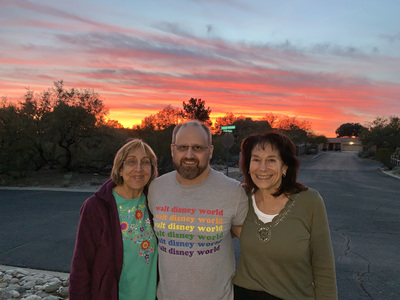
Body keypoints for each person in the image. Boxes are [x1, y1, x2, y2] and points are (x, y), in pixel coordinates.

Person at [148, 120, 248, 300]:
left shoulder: (233, 192)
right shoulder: (156, 188)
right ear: (172, 149)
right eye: (182, 147)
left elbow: (255, 247)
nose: (189, 154)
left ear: (210, 151)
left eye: (197, 148)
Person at [233, 130, 337, 300]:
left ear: (285, 167)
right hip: (244, 293)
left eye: (271, 160)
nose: (263, 168)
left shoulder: (309, 201)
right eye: (256, 160)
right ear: (248, 165)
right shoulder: (240, 198)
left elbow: (323, 266)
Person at [69, 139, 158, 300]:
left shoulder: (155, 203)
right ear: (120, 168)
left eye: (145, 162)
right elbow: (81, 266)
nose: (139, 169)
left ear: (152, 169)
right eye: (131, 161)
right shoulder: (96, 208)